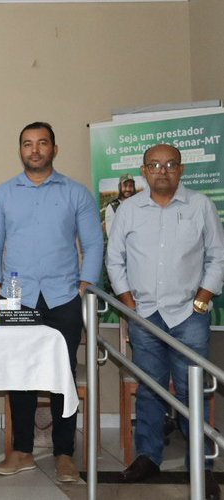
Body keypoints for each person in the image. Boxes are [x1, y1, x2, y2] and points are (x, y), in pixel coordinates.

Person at [0, 121, 103, 483]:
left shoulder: (75, 193)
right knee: (20, 375)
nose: (34, 150)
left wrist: (85, 285)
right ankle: (22, 451)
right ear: (20, 149)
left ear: (54, 148)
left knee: (63, 374)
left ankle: (64, 453)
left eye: (42, 143)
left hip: (64, 296)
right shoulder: (3, 193)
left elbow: (93, 243)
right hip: (16, 298)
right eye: (27, 144)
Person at [106, 144, 224, 500]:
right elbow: (114, 260)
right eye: (155, 165)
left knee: (193, 392)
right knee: (149, 389)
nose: (162, 171)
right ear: (143, 171)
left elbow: (218, 257)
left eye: (170, 165)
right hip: (144, 315)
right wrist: (130, 306)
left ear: (181, 170)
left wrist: (201, 300)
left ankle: (201, 464)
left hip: (189, 315)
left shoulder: (200, 206)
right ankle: (148, 456)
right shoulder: (128, 210)